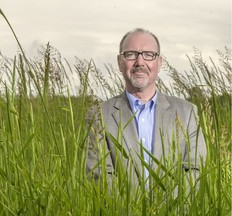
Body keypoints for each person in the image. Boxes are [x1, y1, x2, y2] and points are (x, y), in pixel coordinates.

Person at [86, 28, 207, 189]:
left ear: (160, 62)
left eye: (149, 54)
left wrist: (168, 211)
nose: (140, 62)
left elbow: (195, 170)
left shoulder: (187, 112)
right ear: (119, 62)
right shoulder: (99, 115)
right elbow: (98, 175)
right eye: (131, 54)